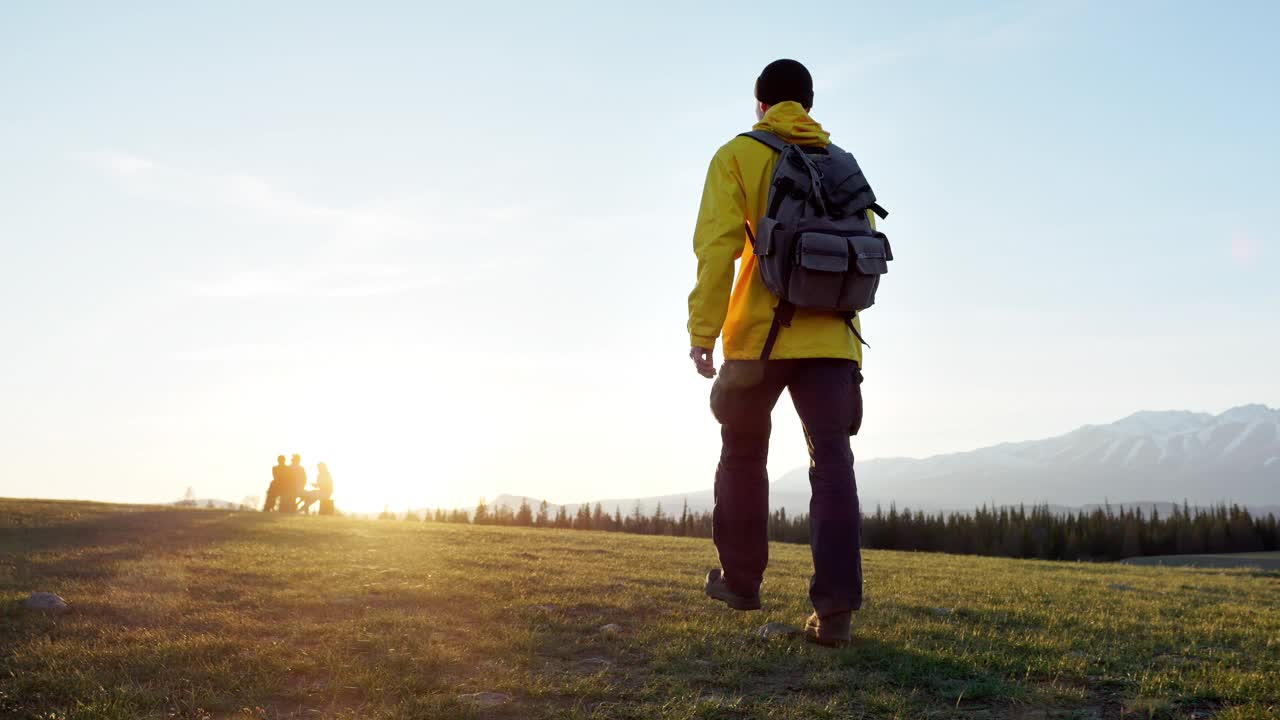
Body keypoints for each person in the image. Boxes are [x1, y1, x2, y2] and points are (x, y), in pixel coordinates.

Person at [687, 59, 875, 647]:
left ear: (760, 104)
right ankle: (836, 610)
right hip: (834, 339)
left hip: (760, 337)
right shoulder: (843, 163)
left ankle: (741, 582)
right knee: (833, 467)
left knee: (743, 452)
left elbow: (717, 252)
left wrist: (703, 332)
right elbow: (857, 259)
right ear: (810, 106)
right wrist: (855, 365)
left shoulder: (738, 155)